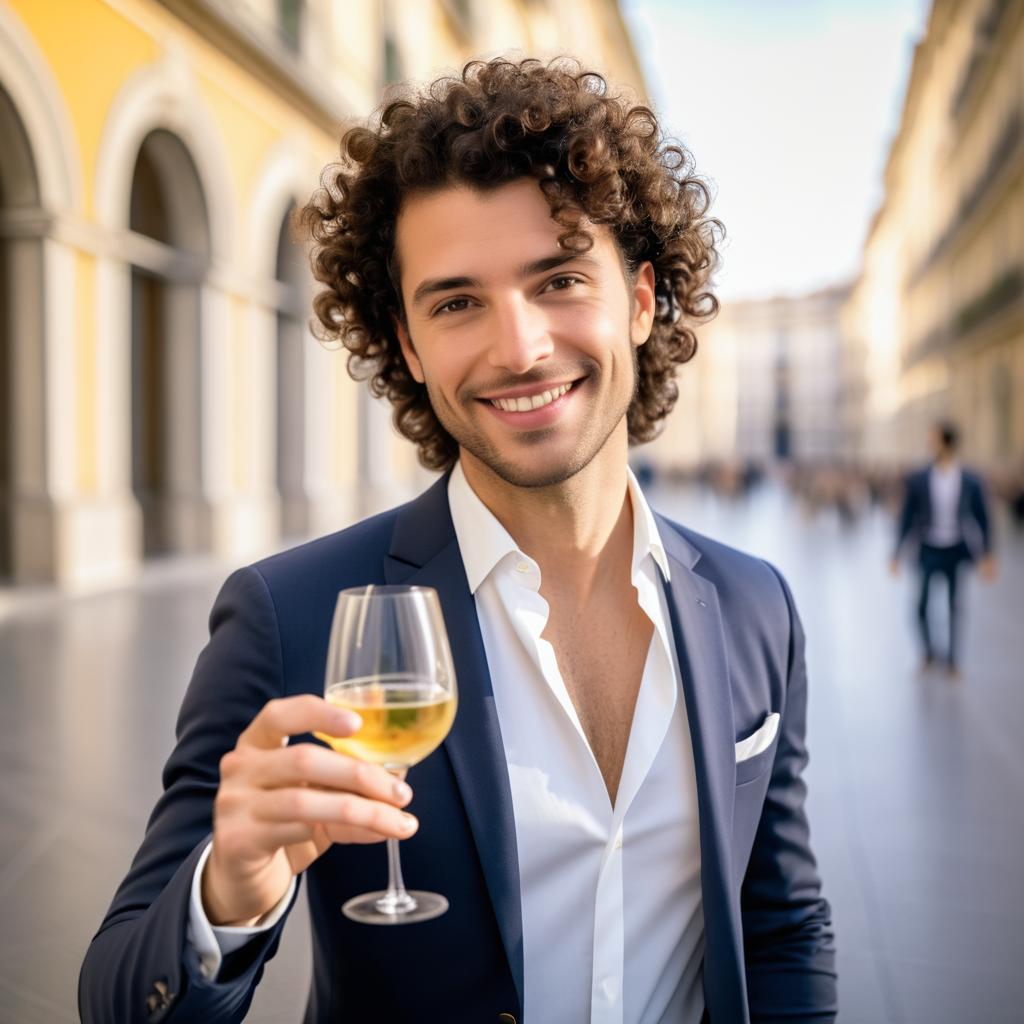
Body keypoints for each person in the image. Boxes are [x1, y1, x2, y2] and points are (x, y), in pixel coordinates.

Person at [79, 57, 836, 1023]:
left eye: (559, 279)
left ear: (642, 300)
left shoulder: (754, 603)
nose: (517, 348)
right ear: (405, 342)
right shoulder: (292, 616)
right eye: (456, 302)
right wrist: (227, 893)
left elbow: (781, 925)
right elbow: (116, 997)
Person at [890, 421, 996, 676]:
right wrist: (896, 552)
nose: (929, 445)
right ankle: (928, 652)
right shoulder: (919, 478)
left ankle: (953, 660)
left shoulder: (970, 479)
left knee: (954, 606)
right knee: (921, 605)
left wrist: (987, 555)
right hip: (928, 549)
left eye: (934, 439)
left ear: (947, 443)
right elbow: (907, 516)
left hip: (956, 550)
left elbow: (982, 518)